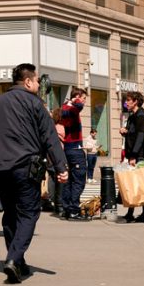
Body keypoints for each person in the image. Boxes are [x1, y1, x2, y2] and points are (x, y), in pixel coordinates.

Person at [0, 63, 68, 283]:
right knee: (28, 213)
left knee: (10, 214)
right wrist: (61, 168)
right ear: (28, 81)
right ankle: (14, 259)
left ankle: (18, 261)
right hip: (26, 167)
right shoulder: (36, 104)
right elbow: (50, 138)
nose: (38, 84)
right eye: (37, 81)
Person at [120, 91, 144, 223]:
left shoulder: (141, 116)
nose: (126, 102)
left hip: (140, 155)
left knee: (141, 183)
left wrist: (133, 155)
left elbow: (140, 137)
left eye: (128, 100)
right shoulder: (133, 115)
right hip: (134, 153)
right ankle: (132, 212)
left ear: (135, 101)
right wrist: (125, 132)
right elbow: (133, 134)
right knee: (135, 182)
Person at [60, 88, 89, 221]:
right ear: (77, 96)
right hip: (75, 149)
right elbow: (79, 106)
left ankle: (66, 209)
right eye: (83, 98)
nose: (84, 101)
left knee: (69, 180)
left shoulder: (65, 107)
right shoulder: (72, 108)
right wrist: (76, 100)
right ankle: (73, 210)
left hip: (68, 149)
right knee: (79, 180)